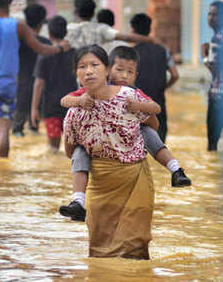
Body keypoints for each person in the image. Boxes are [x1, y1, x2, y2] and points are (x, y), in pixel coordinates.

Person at [59, 46, 191, 221]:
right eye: (119, 70)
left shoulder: (131, 95)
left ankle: (176, 169)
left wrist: (138, 107)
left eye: (129, 72)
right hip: (110, 169)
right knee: (79, 152)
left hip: (130, 157)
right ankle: (78, 201)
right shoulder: (85, 97)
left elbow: (155, 111)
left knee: (148, 133)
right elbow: (65, 100)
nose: (123, 76)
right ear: (109, 70)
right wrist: (80, 101)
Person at [63, 45, 157, 259]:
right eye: (82, 66)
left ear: (107, 70)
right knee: (100, 251)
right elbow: (70, 151)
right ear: (77, 74)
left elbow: (152, 124)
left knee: (135, 248)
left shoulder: (129, 97)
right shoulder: (73, 113)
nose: (88, 71)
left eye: (94, 65)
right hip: (100, 187)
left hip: (135, 179)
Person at [0, 0, 70, 158]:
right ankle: (2, 169)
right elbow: (41, 48)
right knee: (3, 129)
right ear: (10, 2)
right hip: (7, 86)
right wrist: (61, 48)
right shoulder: (19, 26)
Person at [30, 16, 77, 152]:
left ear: (49, 34)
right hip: (71, 105)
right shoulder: (74, 53)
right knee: (73, 149)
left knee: (53, 149)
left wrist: (34, 109)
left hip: (51, 107)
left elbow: (39, 83)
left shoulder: (44, 55)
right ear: (65, 32)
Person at [131, 13, 179, 143]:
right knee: (160, 149)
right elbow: (175, 75)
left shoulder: (132, 53)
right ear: (150, 29)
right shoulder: (162, 51)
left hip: (138, 107)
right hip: (159, 105)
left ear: (133, 31)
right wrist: (164, 87)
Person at [12, 4, 51, 137]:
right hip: (39, 92)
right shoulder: (46, 44)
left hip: (20, 89)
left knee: (17, 130)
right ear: (41, 23)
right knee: (34, 129)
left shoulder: (18, 41)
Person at [67, 0, 156, 49]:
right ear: (93, 13)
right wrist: (151, 39)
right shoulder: (101, 28)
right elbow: (126, 37)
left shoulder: (68, 29)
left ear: (75, 12)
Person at [201, 1, 223, 151]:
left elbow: (215, 70)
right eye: (209, 14)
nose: (210, 18)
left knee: (212, 144)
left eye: (215, 15)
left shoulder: (216, 39)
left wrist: (203, 55)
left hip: (218, 96)